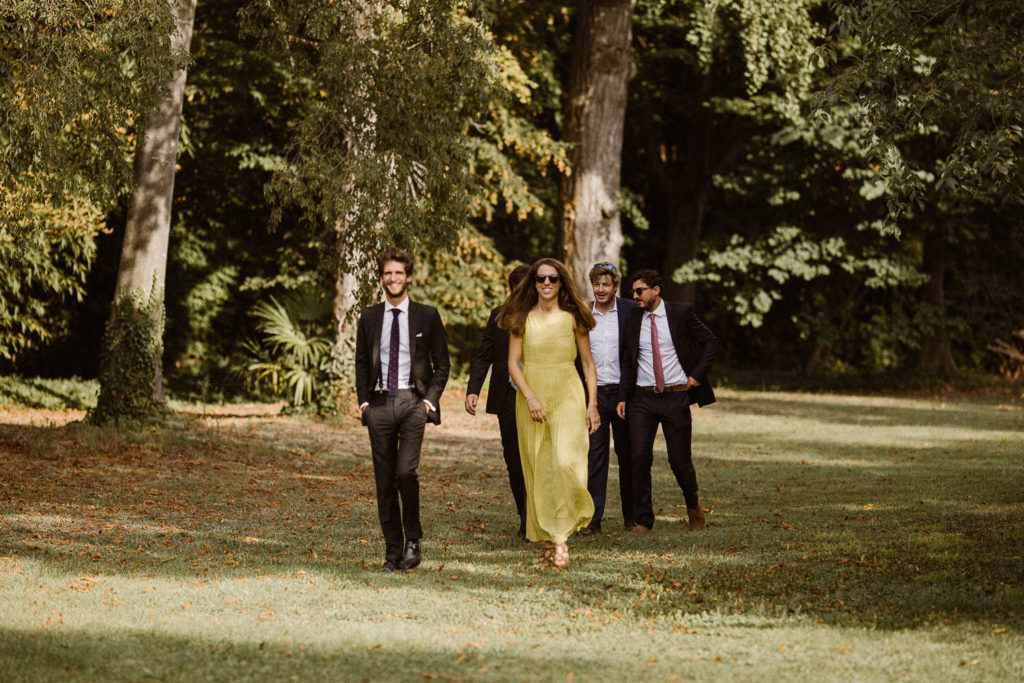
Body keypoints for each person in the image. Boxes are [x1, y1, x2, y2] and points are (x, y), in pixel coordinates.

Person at [498, 258, 600, 568]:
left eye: (553, 278)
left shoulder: (573, 318)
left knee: (565, 463)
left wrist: (592, 404)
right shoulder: (520, 318)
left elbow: (587, 364)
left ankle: (561, 540)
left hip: (568, 391)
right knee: (538, 467)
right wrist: (529, 397)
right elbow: (513, 364)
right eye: (540, 278)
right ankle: (551, 542)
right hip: (532, 394)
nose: (546, 283)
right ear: (533, 282)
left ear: (561, 282)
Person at [355, 247, 450, 572]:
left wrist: (429, 401)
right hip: (379, 404)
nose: (393, 278)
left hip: (412, 403)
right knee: (384, 482)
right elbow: (362, 365)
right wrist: (364, 403)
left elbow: (443, 365)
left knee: (405, 472)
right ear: (382, 278)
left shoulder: (427, 315)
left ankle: (413, 539)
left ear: (408, 277)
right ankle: (392, 553)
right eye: (387, 273)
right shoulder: (369, 317)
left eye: (398, 273)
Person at [616, 269, 716, 533]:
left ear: (655, 290)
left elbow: (710, 342)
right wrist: (623, 397)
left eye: (640, 291)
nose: (634, 296)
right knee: (638, 457)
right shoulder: (632, 319)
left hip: (675, 397)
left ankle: (693, 505)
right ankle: (644, 521)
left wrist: (697, 375)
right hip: (642, 398)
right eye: (633, 291)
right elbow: (628, 361)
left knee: (679, 460)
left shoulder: (681, 313)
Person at [465, 265, 531, 539]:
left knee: (539, 460)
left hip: (543, 395)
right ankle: (525, 518)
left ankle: (544, 517)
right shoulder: (498, 316)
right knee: (514, 460)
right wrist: (473, 390)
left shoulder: (549, 315)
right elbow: (484, 355)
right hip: (507, 397)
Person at [579, 262, 637, 536]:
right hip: (594, 394)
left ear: (615, 286)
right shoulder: (582, 313)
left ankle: (632, 517)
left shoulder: (629, 311)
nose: (601, 289)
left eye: (606, 284)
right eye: (596, 284)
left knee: (628, 455)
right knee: (595, 456)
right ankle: (593, 519)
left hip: (624, 393)